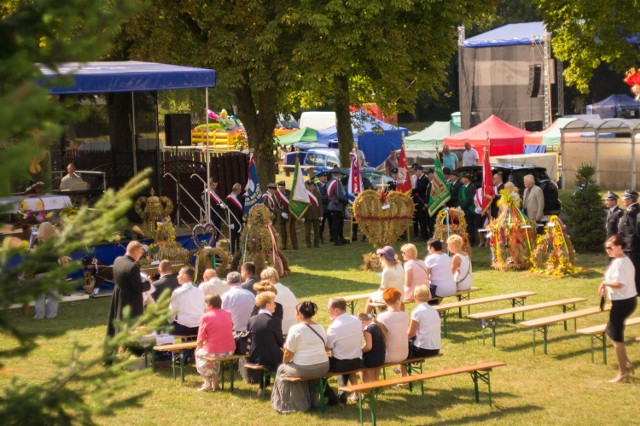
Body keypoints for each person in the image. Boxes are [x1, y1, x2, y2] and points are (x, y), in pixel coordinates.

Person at [271, 301, 330, 413]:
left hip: (304, 368)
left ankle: (287, 404)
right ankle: (312, 401)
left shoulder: (295, 329)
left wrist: (284, 362)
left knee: (281, 369)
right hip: (323, 366)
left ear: (300, 314)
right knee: (295, 368)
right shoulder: (320, 327)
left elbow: (288, 353)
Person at [598, 235, 637, 382]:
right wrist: (607, 285)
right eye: (606, 248)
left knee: (617, 337)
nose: (607, 250)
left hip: (622, 303)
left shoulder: (619, 263)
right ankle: (626, 362)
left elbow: (620, 284)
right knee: (610, 331)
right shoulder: (623, 260)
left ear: (619, 247)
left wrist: (605, 283)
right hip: (628, 301)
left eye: (610, 247)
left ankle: (623, 372)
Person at [106, 241, 151, 338]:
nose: (141, 255)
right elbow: (138, 287)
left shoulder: (117, 260)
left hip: (119, 296)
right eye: (141, 252)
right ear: (135, 252)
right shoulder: (133, 266)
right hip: (131, 300)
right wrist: (148, 283)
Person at [247, 291, 284, 397]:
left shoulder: (251, 319)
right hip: (271, 358)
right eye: (273, 303)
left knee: (267, 349)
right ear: (268, 305)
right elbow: (280, 342)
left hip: (254, 356)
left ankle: (261, 388)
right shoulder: (274, 320)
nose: (275, 305)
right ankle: (282, 388)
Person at [326, 297, 363, 404]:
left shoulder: (335, 326)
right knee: (346, 364)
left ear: (336, 310)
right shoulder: (356, 320)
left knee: (319, 366)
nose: (328, 311)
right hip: (356, 362)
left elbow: (328, 347)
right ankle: (346, 391)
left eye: (329, 309)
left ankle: (331, 394)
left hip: (340, 364)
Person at [195, 294, 235, 392]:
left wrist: (198, 347)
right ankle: (215, 382)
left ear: (210, 305)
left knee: (199, 354)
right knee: (213, 356)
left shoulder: (205, 317)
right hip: (230, 350)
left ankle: (207, 382)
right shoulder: (228, 313)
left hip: (214, 350)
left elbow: (200, 338)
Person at [32, 222, 69, 320]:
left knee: (39, 295)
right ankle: (51, 315)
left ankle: (39, 315)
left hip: (39, 270)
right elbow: (62, 258)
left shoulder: (37, 241)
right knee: (53, 294)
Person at [365, 246, 405, 314]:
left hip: (391, 296)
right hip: (400, 294)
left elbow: (383, 288)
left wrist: (377, 291)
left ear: (384, 257)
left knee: (371, 297)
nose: (379, 257)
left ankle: (364, 318)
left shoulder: (387, 271)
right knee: (376, 296)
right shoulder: (399, 265)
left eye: (380, 255)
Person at [376, 288, 409, 368]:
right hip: (404, 354)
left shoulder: (381, 317)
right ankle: (404, 378)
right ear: (398, 301)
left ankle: (373, 380)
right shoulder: (405, 315)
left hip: (388, 356)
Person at [260, 267, 298, 335]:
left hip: (281, 329)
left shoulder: (271, 293)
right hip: (293, 325)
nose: (261, 281)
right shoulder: (286, 289)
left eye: (264, 279)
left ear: (272, 278)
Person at [168, 266, 205, 336]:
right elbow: (204, 309)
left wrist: (171, 322)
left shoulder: (177, 292)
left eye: (179, 274)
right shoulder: (200, 291)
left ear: (185, 276)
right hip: (199, 326)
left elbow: (171, 312)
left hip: (183, 328)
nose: (177, 276)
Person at [407, 285, 441, 357]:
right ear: (429, 297)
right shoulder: (434, 310)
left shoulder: (417, 312)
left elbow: (410, 334)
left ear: (415, 297)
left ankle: (401, 368)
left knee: (401, 348)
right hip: (436, 348)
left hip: (423, 348)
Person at [618, 189, 640, 295]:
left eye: (624, 198)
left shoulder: (633, 211)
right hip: (629, 245)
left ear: (630, 199)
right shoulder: (630, 210)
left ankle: (635, 289)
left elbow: (636, 230)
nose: (622, 200)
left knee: (633, 269)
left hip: (632, 246)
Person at [358, 313, 387, 383]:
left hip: (371, 359)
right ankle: (375, 387)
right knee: (375, 378)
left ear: (362, 322)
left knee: (358, 364)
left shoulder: (368, 329)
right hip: (381, 358)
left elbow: (368, 347)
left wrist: (359, 351)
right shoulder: (380, 326)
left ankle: (366, 388)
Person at [327, 168, 348, 246]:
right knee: (337, 223)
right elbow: (339, 195)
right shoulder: (337, 183)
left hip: (333, 204)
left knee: (339, 222)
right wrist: (347, 200)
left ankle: (340, 238)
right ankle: (337, 240)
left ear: (333, 174)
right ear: (338, 174)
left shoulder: (329, 182)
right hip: (337, 204)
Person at [275, 181, 298, 250]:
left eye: (283, 187)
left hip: (290, 214)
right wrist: (281, 213)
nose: (282, 189)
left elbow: (294, 202)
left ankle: (295, 246)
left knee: (292, 231)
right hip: (281, 216)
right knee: (283, 231)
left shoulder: (289, 193)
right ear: (278, 188)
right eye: (280, 187)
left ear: (285, 187)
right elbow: (275, 207)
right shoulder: (276, 195)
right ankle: (284, 245)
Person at [458, 173, 477, 246]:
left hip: (469, 209)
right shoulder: (462, 187)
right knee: (464, 225)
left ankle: (471, 240)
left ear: (467, 179)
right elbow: (459, 198)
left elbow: (470, 199)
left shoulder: (472, 187)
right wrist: (460, 206)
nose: (461, 179)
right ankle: (465, 240)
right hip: (463, 210)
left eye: (463, 178)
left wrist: (462, 207)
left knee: (470, 226)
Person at [303, 180, 323, 248]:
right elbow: (302, 205)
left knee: (317, 231)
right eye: (308, 186)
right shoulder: (304, 193)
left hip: (316, 215)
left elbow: (320, 204)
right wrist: (302, 216)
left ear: (314, 186)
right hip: (307, 215)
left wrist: (321, 215)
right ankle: (308, 244)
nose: (310, 187)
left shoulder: (317, 193)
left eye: (311, 186)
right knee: (307, 232)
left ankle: (316, 244)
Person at [226, 183, 244, 253]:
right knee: (232, 239)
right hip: (233, 222)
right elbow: (227, 212)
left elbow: (241, 211)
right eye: (240, 190)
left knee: (239, 239)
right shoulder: (228, 199)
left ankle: (239, 253)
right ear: (237, 190)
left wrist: (243, 222)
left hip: (239, 221)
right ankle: (232, 253)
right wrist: (229, 223)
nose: (240, 191)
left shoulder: (239, 198)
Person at [413, 164, 430, 241]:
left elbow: (422, 190)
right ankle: (423, 235)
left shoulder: (425, 179)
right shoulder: (419, 179)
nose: (415, 172)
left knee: (423, 220)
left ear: (421, 171)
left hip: (423, 201)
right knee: (420, 219)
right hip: (418, 202)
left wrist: (413, 191)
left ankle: (425, 236)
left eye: (417, 171)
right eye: (415, 171)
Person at [317, 172, 332, 244]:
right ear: (319, 178)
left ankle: (332, 237)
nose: (325, 178)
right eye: (323, 177)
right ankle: (320, 237)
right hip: (321, 208)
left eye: (325, 176)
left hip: (328, 207)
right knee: (321, 224)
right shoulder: (317, 186)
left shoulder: (328, 185)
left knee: (331, 223)